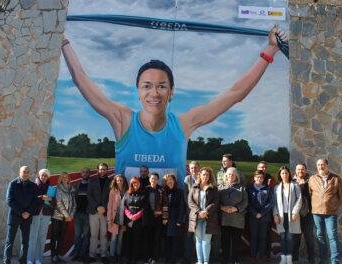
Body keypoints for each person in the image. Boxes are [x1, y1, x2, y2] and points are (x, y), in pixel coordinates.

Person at [61, 26, 287, 184]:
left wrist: (269, 51)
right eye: (147, 86)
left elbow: (235, 94)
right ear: (138, 91)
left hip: (169, 220)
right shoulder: (123, 119)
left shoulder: (183, 125)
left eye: (161, 86)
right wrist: (64, 42)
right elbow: (82, 80)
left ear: (171, 92)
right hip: (131, 220)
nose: (154, 93)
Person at [308, 159, 342, 264]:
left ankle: (335, 261)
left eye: (323, 164)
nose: (320, 167)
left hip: (330, 213)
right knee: (320, 236)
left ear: (327, 165)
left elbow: (341, 195)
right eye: (318, 165)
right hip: (316, 213)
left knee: (332, 236)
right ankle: (323, 260)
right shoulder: (312, 179)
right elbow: (310, 193)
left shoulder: (336, 178)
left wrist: (334, 206)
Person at [3, 166, 37, 264]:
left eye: (27, 172)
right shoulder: (13, 184)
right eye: (24, 172)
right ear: (19, 172)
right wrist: (22, 212)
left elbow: (35, 201)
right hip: (14, 217)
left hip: (27, 218)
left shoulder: (33, 185)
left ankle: (23, 261)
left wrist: (28, 212)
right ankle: (7, 261)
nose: (25, 173)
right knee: (10, 242)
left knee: (25, 242)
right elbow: (9, 200)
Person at [188, 167, 219, 264]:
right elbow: (190, 201)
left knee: (206, 241)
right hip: (196, 217)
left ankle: (206, 262)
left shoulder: (213, 188)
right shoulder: (194, 187)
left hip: (209, 218)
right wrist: (198, 212)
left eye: (207, 175)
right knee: (198, 240)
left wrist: (206, 211)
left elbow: (216, 202)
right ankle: (199, 261)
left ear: (210, 177)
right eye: (203, 174)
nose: (205, 176)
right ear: (200, 175)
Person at [218, 167, 248, 264]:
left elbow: (246, 202)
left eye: (232, 174)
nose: (230, 176)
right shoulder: (221, 187)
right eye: (228, 174)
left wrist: (236, 208)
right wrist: (222, 207)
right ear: (225, 176)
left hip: (237, 219)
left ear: (236, 176)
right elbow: (215, 201)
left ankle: (234, 259)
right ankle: (225, 259)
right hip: (224, 218)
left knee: (236, 241)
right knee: (225, 240)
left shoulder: (242, 187)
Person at [273, 166, 302, 264]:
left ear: (289, 174)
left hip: (291, 215)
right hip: (281, 216)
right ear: (280, 175)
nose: (284, 175)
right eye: (282, 173)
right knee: (282, 237)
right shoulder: (277, 187)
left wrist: (295, 212)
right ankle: (283, 258)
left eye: (286, 173)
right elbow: (274, 203)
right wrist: (275, 214)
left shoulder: (294, 185)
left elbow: (299, 199)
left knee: (290, 237)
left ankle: (289, 259)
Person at [28, 169, 54, 264]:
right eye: (42, 175)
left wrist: (50, 199)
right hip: (35, 213)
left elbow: (53, 203)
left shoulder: (51, 188)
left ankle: (39, 259)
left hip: (46, 214)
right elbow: (31, 199)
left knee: (42, 237)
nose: (44, 177)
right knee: (33, 237)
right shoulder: (33, 186)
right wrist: (42, 198)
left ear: (48, 177)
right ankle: (30, 259)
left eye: (45, 176)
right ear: (39, 175)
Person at [247, 170, 274, 264]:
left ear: (263, 179)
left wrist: (261, 213)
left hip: (264, 217)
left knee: (263, 237)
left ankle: (261, 256)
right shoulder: (249, 188)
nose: (259, 179)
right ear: (254, 178)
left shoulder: (268, 188)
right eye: (257, 177)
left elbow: (271, 202)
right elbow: (248, 202)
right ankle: (253, 256)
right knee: (253, 237)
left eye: (261, 177)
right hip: (253, 217)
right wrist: (255, 213)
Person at [88, 162, 111, 262]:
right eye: (101, 169)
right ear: (98, 170)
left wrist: (104, 207)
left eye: (104, 169)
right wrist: (97, 207)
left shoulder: (111, 181)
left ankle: (103, 254)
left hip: (105, 212)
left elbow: (111, 197)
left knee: (104, 234)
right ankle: (91, 255)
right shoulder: (92, 181)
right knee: (93, 235)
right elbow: (89, 195)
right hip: (93, 211)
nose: (103, 171)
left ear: (107, 170)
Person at [50, 172, 76, 263]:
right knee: (54, 236)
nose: (65, 178)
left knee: (62, 237)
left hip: (67, 218)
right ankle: (53, 256)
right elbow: (59, 203)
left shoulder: (71, 188)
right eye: (63, 177)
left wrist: (71, 215)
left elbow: (74, 204)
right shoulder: (58, 188)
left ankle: (58, 255)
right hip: (57, 216)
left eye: (67, 177)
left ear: (69, 178)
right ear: (60, 178)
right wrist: (67, 215)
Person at [292, 163, 315, 263]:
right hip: (295, 214)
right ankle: (295, 259)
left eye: (302, 169)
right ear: (295, 170)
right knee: (295, 238)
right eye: (298, 169)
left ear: (306, 170)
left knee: (309, 238)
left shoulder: (312, 181)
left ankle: (311, 259)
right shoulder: (291, 181)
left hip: (308, 213)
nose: (300, 171)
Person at [123, 176, 148, 264]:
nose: (135, 184)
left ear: (139, 183)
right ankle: (127, 257)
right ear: (131, 184)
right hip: (129, 221)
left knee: (136, 240)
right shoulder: (127, 193)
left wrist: (136, 216)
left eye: (137, 182)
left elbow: (144, 208)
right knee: (128, 239)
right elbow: (125, 207)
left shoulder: (143, 194)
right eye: (133, 183)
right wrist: (129, 215)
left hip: (139, 221)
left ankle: (134, 257)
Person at [144, 172, 168, 264]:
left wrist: (165, 218)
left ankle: (155, 257)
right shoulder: (146, 189)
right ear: (149, 179)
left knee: (157, 238)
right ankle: (148, 257)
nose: (153, 180)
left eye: (155, 179)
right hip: (147, 218)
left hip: (158, 218)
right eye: (152, 178)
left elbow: (165, 204)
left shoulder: (161, 190)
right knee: (148, 238)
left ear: (158, 180)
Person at [163, 173, 185, 263]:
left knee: (174, 240)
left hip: (175, 219)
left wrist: (180, 220)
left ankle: (173, 258)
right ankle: (167, 258)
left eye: (171, 180)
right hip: (165, 219)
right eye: (167, 180)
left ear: (174, 181)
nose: (169, 182)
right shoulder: (164, 191)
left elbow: (182, 207)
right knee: (167, 239)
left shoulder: (180, 192)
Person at [107, 174, 128, 263]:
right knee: (114, 238)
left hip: (124, 218)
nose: (119, 182)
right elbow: (110, 206)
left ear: (124, 181)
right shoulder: (113, 191)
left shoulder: (128, 191)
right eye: (117, 180)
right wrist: (109, 219)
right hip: (114, 218)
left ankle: (118, 255)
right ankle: (112, 256)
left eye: (121, 180)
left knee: (120, 238)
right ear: (115, 181)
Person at [72, 167, 91, 261]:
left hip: (88, 214)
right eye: (83, 172)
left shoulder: (93, 184)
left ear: (89, 174)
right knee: (77, 235)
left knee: (87, 235)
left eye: (87, 172)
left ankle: (83, 255)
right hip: (77, 214)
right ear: (81, 173)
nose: (85, 174)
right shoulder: (76, 185)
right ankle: (76, 254)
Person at [183, 161, 200, 263]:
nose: (193, 170)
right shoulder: (187, 179)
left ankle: (198, 257)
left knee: (199, 236)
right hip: (190, 211)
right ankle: (188, 258)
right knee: (188, 235)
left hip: (201, 212)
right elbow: (186, 195)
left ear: (199, 168)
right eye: (191, 168)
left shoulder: (203, 178)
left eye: (195, 168)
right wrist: (193, 208)